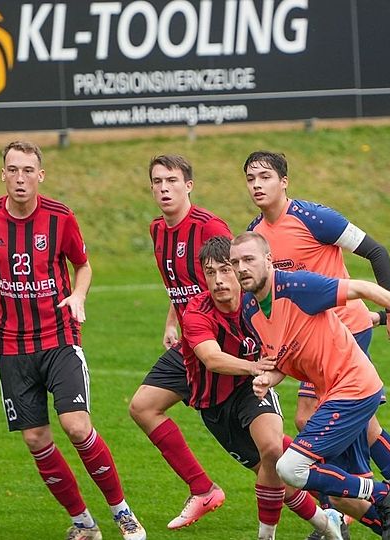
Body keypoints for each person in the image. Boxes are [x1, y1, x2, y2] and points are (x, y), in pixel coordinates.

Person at [0, 141, 145, 540]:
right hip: (11, 345)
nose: (20, 178)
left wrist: (78, 295)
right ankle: (83, 523)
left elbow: (84, 265)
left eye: (27, 170)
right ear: (2, 174)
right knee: (35, 438)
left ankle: (123, 513)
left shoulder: (60, 217)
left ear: (40, 176)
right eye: (13, 170)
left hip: (59, 337)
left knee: (77, 427)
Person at [244, 151, 390, 539]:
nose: (257, 185)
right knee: (365, 428)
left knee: (311, 420)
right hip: (308, 341)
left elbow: (377, 252)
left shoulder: (315, 218)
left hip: (346, 330)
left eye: (265, 176)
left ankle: (344, 509)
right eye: (250, 178)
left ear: (284, 181)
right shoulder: (256, 235)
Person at [181, 235, 345, 540]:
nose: (218, 280)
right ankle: (330, 525)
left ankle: (266, 536)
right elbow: (212, 359)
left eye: (225, 270)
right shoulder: (196, 311)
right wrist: (256, 365)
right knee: (278, 475)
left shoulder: (255, 300)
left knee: (272, 450)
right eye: (210, 272)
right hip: (215, 407)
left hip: (251, 388)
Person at [128, 154, 228, 529]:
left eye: (171, 180)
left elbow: (233, 283)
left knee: (260, 451)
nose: (164, 188)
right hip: (188, 345)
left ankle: (334, 498)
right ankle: (202, 488)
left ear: (188, 185)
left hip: (219, 347)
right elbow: (179, 286)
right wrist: (173, 321)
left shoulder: (209, 226)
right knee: (143, 407)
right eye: (157, 181)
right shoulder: (158, 230)